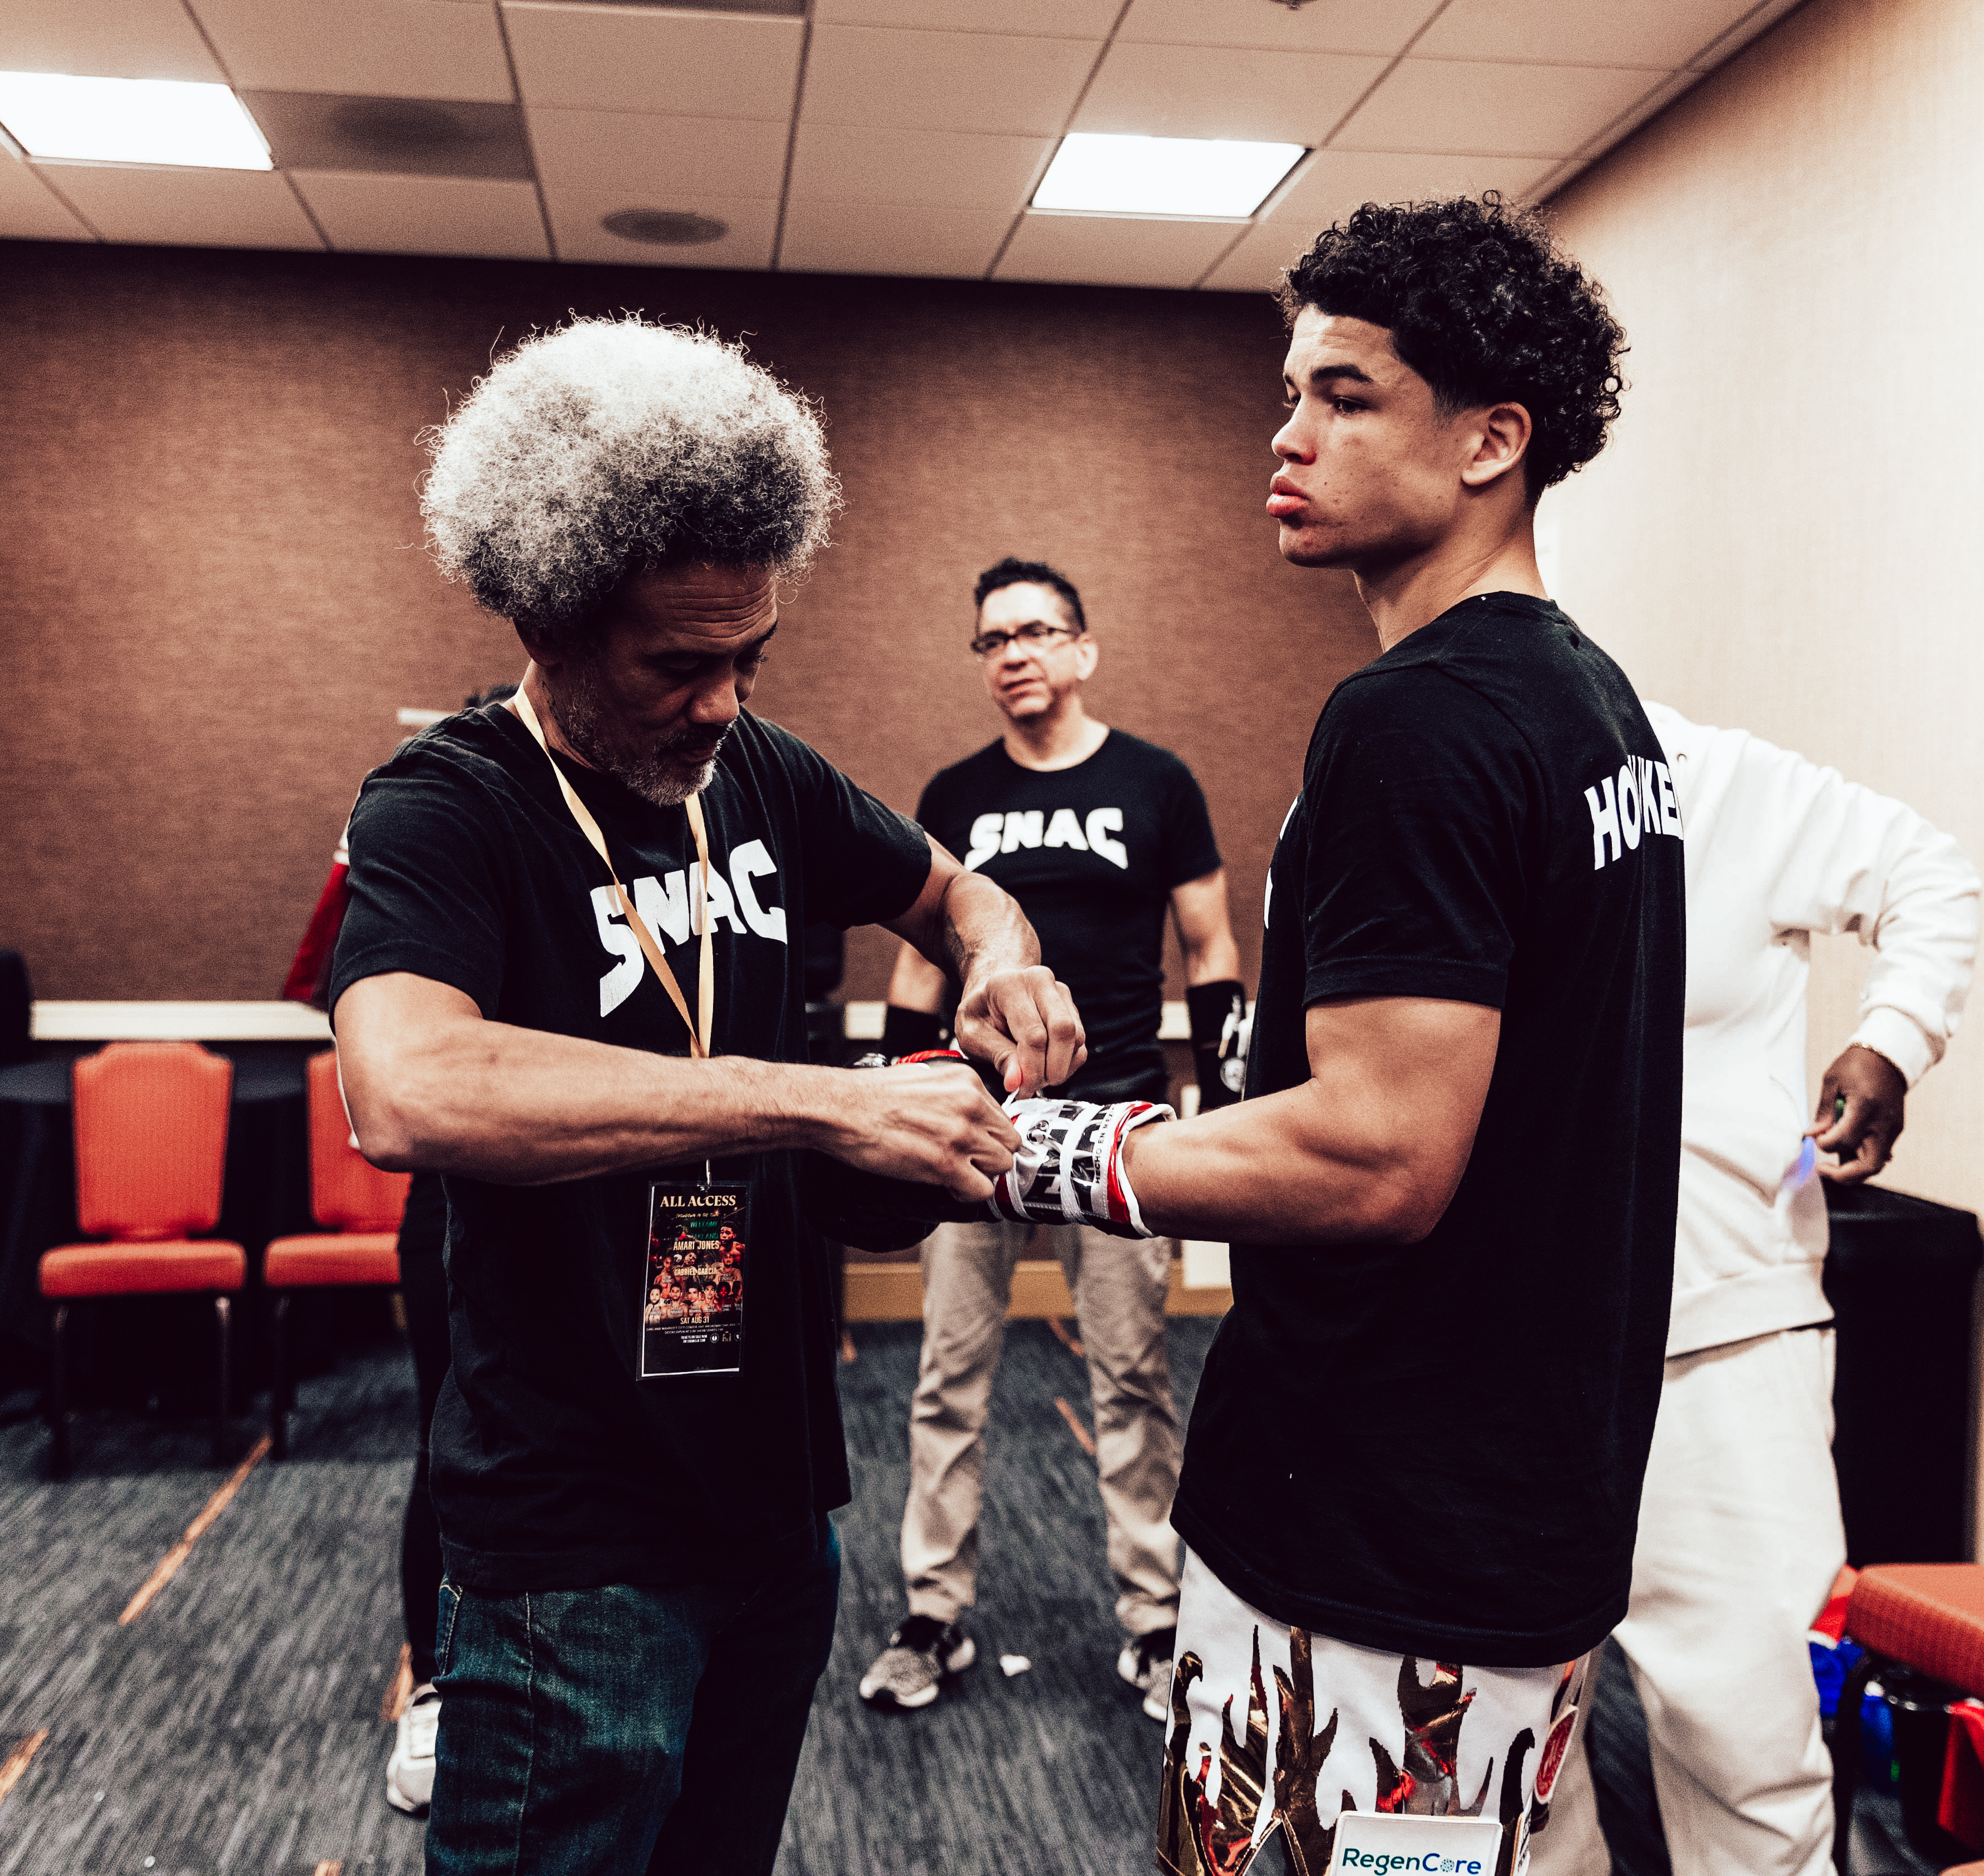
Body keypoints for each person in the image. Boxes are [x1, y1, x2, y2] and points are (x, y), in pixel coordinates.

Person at [970, 195, 1681, 1875]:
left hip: (1378, 1522)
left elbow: (1376, 1153)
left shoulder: (1415, 719)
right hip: (1513, 1501)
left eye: (1346, 397)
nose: (1287, 437)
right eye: (1290, 393)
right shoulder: (1588, 700)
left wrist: (1028, 1150)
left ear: (1491, 440)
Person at [329, 315, 1085, 1875]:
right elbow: (405, 1086)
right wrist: (815, 1102)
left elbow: (959, 889)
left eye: (751, 657)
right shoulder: (447, 804)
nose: (725, 699)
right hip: (573, 1543)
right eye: (679, 663)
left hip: (774, 1507)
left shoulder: (760, 773)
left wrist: (1002, 955)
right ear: (549, 617)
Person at [1532, 706, 1978, 1876]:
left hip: (1723, 1338)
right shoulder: (1415, 773)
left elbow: (1929, 873)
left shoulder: (1699, 773)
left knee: (1759, 1769)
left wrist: (1892, 1038)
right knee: (1506, 1782)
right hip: (1500, 1365)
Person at [857, 556, 1245, 1720]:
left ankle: (1154, 1620)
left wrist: (1224, 1099)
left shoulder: (1155, 783)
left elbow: (1209, 945)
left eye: (1033, 632)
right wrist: (893, 1105)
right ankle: (933, 1612)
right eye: (991, 640)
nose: (1012, 654)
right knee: (947, 1373)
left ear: (1082, 649)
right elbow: (915, 966)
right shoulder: (956, 793)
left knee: (1131, 1373)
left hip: (1114, 1122)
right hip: (975, 1122)